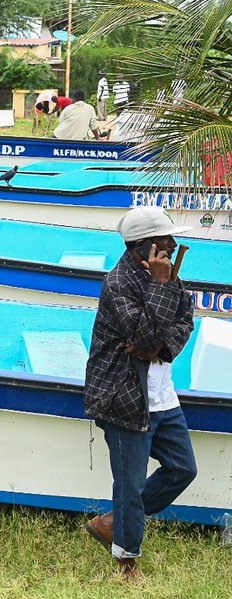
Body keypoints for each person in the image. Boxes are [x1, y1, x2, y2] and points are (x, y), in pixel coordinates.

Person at [83, 206, 197, 580]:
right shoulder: (118, 284)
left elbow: (185, 319)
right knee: (129, 484)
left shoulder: (164, 270)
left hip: (162, 395)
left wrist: (159, 350)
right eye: (165, 241)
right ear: (142, 247)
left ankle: (115, 522)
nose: (173, 244)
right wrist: (162, 287)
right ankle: (126, 561)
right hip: (124, 396)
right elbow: (144, 332)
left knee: (182, 469)